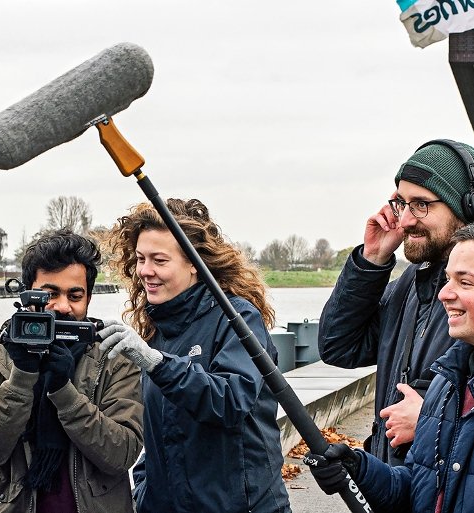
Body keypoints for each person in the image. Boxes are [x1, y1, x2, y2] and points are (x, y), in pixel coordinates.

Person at [100, 199, 290, 513]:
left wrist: (155, 363)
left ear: (194, 263)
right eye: (140, 259)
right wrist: (146, 489)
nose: (146, 271)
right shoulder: (156, 328)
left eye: (159, 260)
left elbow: (230, 400)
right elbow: (160, 432)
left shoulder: (238, 319)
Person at [0, 229, 144, 512]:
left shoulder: (115, 361)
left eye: (75, 295)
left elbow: (121, 454)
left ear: (89, 298)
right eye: (50, 295)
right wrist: (21, 377)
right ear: (26, 295)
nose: (62, 306)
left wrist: (64, 392)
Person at [319, 140, 474, 465]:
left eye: (421, 205)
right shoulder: (410, 284)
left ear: (466, 207)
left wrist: (431, 420)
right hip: (396, 484)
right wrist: (372, 260)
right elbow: (339, 347)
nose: (404, 220)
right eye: (401, 203)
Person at [306, 223, 474, 511]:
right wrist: (359, 468)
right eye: (447, 280)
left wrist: (427, 423)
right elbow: (419, 490)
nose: (445, 294)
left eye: (465, 282)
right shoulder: (447, 383)